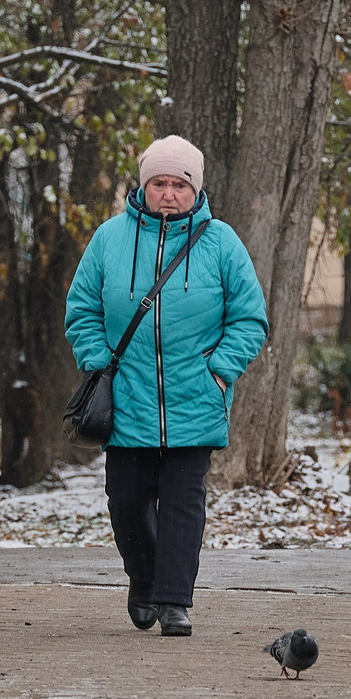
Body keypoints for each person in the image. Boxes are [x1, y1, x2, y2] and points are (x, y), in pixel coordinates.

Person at [64, 136, 268, 638]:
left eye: (180, 184)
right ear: (144, 185)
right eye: (160, 183)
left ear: (195, 190)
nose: (169, 193)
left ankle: (175, 601)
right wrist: (98, 363)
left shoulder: (222, 243)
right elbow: (82, 310)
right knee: (126, 500)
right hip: (126, 399)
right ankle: (144, 579)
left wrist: (217, 371)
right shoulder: (109, 240)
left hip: (195, 397)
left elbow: (250, 319)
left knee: (183, 504)